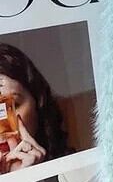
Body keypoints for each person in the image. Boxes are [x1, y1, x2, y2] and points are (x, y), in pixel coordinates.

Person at [0, 43, 69, 173]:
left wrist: (30, 176)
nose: (2, 126)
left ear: (38, 102)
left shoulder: (72, 169)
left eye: (12, 105)